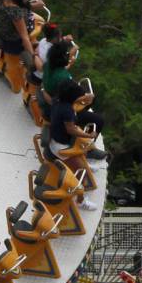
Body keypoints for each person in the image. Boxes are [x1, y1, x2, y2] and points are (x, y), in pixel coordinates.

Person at [44, 82, 101, 211]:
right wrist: (88, 135)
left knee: (82, 145)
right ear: (72, 98)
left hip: (58, 137)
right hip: (61, 148)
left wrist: (87, 97)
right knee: (82, 174)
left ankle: (85, 163)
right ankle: (81, 201)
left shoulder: (57, 100)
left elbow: (78, 100)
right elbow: (71, 130)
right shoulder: (67, 111)